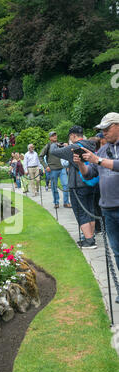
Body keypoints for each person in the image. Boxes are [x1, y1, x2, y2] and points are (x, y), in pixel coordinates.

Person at [72, 113, 119, 269]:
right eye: (102, 129)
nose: (103, 132)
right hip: (108, 209)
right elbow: (89, 173)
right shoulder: (104, 149)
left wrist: (97, 160)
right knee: (117, 252)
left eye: (107, 128)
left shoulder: (101, 155)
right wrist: (81, 163)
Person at [50, 125, 98, 249]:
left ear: (73, 136)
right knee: (90, 210)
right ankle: (91, 237)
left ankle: (89, 240)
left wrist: (56, 143)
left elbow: (53, 152)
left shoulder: (73, 147)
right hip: (91, 182)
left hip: (78, 184)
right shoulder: (91, 144)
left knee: (81, 212)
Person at [39, 131, 71, 209]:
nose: (55, 136)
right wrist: (46, 166)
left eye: (55, 135)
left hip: (62, 168)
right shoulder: (48, 146)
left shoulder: (61, 145)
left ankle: (66, 202)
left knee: (66, 185)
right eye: (52, 136)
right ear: (50, 138)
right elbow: (40, 156)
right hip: (52, 169)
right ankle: (56, 202)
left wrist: (67, 146)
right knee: (54, 187)